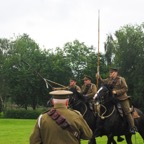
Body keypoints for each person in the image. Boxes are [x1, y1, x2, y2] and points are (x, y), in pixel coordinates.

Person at [96, 68, 137, 134]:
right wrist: (99, 77)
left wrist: (116, 92)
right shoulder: (109, 80)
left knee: (127, 112)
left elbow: (125, 88)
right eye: (110, 73)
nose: (110, 74)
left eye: (111, 73)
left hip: (122, 98)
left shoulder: (121, 79)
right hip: (113, 99)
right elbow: (103, 81)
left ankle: (132, 127)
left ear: (115, 73)